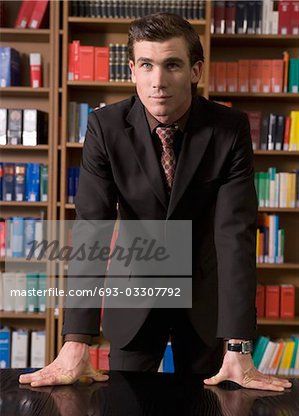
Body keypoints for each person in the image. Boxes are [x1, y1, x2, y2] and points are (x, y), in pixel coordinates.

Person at [20, 13, 291, 391]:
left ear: (195, 71)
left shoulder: (229, 129)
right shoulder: (105, 127)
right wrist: (76, 340)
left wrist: (239, 345)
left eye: (172, 65)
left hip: (205, 302)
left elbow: (235, 236)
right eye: (146, 65)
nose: (157, 81)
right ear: (132, 70)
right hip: (135, 298)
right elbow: (91, 232)